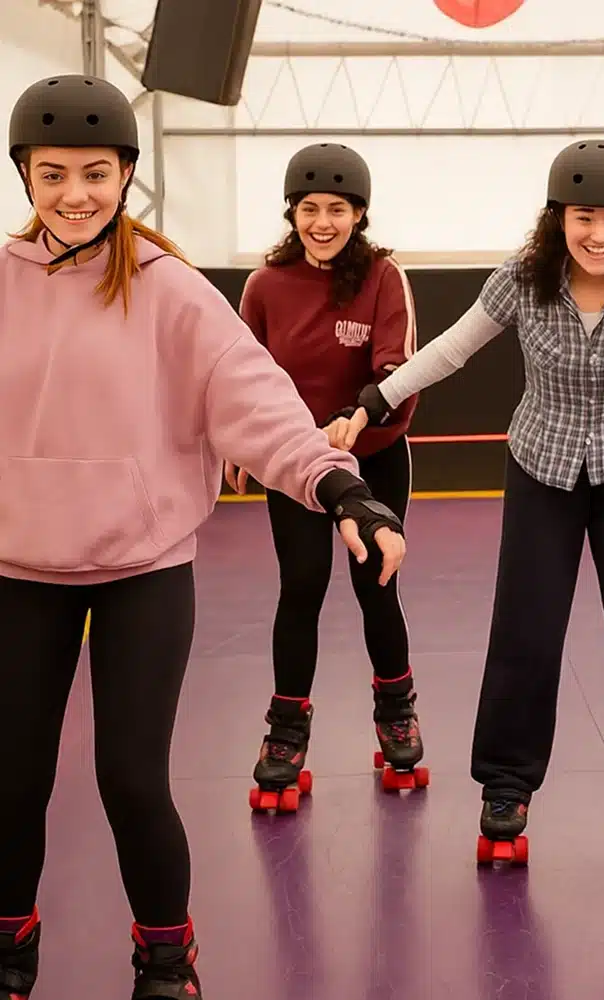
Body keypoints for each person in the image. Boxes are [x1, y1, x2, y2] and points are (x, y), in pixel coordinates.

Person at [0, 74, 405, 999]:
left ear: (127, 175)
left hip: (143, 568)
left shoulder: (169, 289)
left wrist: (341, 487)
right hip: (20, 569)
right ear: (25, 176)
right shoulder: (4, 284)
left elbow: (257, 402)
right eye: (53, 173)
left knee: (131, 782)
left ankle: (166, 958)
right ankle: (10, 945)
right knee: (10, 782)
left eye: (96, 173)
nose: (75, 195)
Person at [329, 139, 604, 857]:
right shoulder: (523, 279)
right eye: (583, 217)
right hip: (541, 469)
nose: (599, 234)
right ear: (558, 218)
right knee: (525, 633)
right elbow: (452, 348)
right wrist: (375, 399)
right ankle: (507, 783)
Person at [226, 142, 424, 804]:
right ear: (292, 213)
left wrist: (358, 417)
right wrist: (236, 441)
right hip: (296, 462)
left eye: (336, 209)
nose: (321, 223)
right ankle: (286, 730)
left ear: (359, 214)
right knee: (302, 586)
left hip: (374, 457)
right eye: (308, 209)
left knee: (375, 586)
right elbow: (240, 376)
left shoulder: (383, 278)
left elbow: (399, 371)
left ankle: (396, 713)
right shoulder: (265, 286)